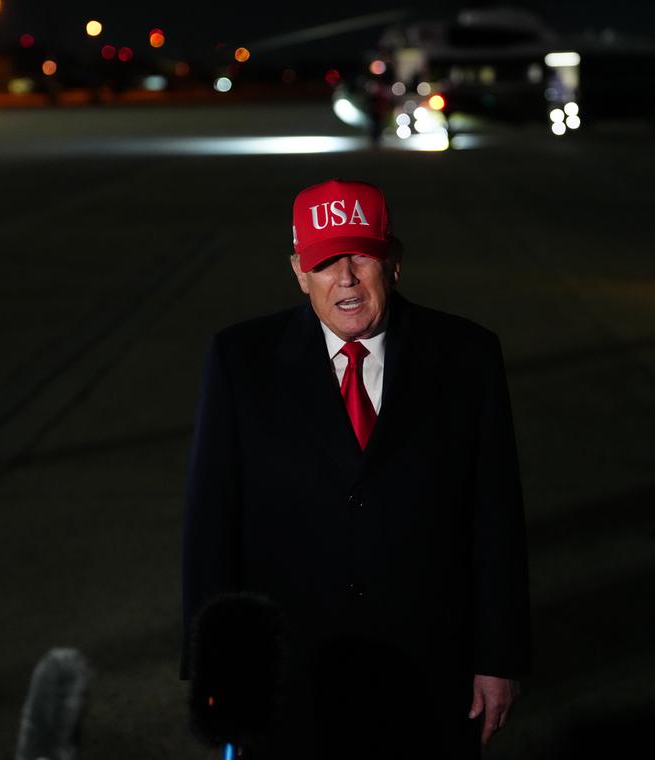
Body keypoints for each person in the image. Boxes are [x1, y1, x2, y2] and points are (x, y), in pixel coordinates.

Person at [182, 179, 531, 759]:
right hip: (290, 673)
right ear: (299, 271)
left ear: (393, 262)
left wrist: (500, 658)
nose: (344, 277)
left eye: (360, 255)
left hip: (428, 667)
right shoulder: (240, 361)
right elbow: (211, 523)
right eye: (324, 262)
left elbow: (495, 516)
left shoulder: (468, 355)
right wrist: (218, 674)